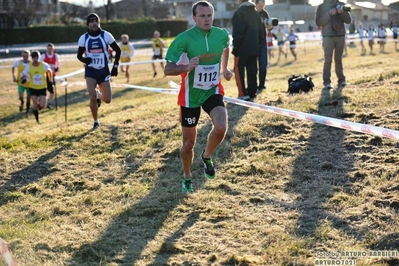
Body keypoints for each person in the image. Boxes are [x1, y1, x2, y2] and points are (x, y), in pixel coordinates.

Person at [163, 0, 233, 193]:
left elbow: (226, 47)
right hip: (190, 97)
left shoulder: (221, 35)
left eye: (209, 15)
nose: (207, 19)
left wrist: (225, 68)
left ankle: (207, 156)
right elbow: (167, 69)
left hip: (212, 90)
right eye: (202, 16)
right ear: (194, 18)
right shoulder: (184, 39)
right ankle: (187, 177)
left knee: (221, 127)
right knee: (188, 144)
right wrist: (186, 67)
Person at [76, 13, 121, 131]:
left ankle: (98, 95)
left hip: (103, 71)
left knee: (107, 100)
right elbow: (79, 55)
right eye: (91, 21)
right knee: (91, 96)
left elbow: (118, 50)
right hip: (90, 71)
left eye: (96, 21)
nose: (94, 23)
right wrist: (85, 60)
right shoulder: (83, 38)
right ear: (88, 24)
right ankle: (96, 121)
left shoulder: (106, 35)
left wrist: (115, 66)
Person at [315, 0, 352, 90]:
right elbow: (318, 22)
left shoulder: (342, 5)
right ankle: (327, 82)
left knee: (338, 60)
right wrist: (329, 14)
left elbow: (348, 20)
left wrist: (340, 13)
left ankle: (341, 80)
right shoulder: (321, 7)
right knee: (328, 60)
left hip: (340, 36)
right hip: (328, 36)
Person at [232, 0, 262, 101]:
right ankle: (252, 92)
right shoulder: (256, 13)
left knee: (238, 69)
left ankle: (242, 93)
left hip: (241, 48)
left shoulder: (239, 13)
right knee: (252, 70)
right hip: (254, 47)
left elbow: (237, 33)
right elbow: (261, 32)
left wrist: (235, 48)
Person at [20, 51, 52, 123]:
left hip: (42, 87)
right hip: (33, 88)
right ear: (32, 58)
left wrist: (50, 81)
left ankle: (38, 108)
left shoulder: (43, 65)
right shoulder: (29, 66)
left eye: (37, 58)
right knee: (35, 104)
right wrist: (23, 79)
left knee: (42, 105)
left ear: (39, 58)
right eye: (34, 58)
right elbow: (23, 75)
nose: (35, 59)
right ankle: (37, 120)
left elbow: (49, 71)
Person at [255, 0, 272, 92]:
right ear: (256, 4)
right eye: (260, 6)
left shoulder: (265, 13)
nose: (261, 8)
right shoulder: (252, 13)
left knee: (263, 64)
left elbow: (269, 27)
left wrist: (270, 26)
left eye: (263, 6)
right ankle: (253, 85)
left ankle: (262, 85)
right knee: (253, 66)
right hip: (253, 42)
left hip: (262, 42)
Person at [40, 43, 60, 109]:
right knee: (42, 90)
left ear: (53, 49)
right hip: (43, 76)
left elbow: (58, 63)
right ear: (46, 49)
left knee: (52, 90)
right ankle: (41, 103)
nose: (49, 50)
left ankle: (49, 103)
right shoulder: (43, 56)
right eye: (48, 49)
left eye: (51, 49)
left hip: (52, 76)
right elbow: (39, 63)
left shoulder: (56, 56)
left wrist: (57, 68)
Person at [12, 50, 31, 117]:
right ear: (22, 56)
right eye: (24, 56)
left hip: (29, 84)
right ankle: (22, 102)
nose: (25, 57)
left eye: (26, 56)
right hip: (20, 83)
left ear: (29, 56)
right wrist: (14, 76)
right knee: (21, 96)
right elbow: (13, 67)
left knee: (29, 98)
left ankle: (27, 111)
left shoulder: (31, 63)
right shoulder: (18, 62)